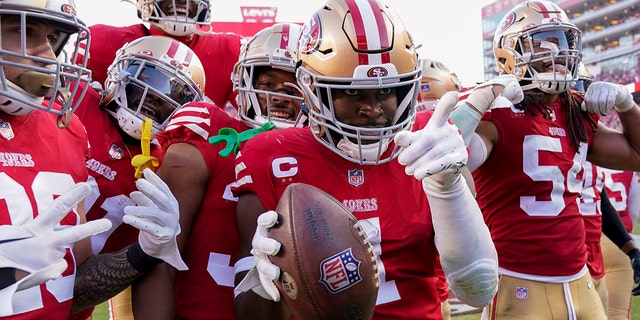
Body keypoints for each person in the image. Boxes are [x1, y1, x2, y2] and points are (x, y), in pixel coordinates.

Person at [232, 0, 499, 319]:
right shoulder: (270, 153)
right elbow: (250, 314)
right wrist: (265, 279)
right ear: (311, 88)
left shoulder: (428, 144)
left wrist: (449, 189)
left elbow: (477, 290)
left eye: (386, 91)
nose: (372, 109)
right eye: (354, 93)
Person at [449, 0, 640, 318]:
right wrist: (476, 107)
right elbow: (454, 157)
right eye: (543, 45)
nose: (560, 55)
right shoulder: (496, 111)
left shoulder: (576, 111)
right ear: (510, 54)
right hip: (518, 281)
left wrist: (626, 104)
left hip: (580, 279)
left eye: (564, 43)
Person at [0, 1, 186, 318]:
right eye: (24, 31)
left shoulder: (67, 128)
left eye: (52, 39)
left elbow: (73, 289)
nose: (46, 55)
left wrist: (144, 252)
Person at [131, 23, 305, 319]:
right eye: (268, 84)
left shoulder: (329, 153)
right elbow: (160, 256)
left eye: (293, 87)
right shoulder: (211, 132)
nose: (279, 97)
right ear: (245, 82)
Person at [73, 35, 206, 320]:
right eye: (148, 81)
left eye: (173, 94)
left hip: (77, 293)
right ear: (119, 75)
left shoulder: (170, 164)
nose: (154, 97)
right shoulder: (77, 100)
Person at [76, 0, 242, 111]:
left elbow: (253, 123)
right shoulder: (103, 41)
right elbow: (79, 112)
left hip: (193, 155)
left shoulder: (230, 50)